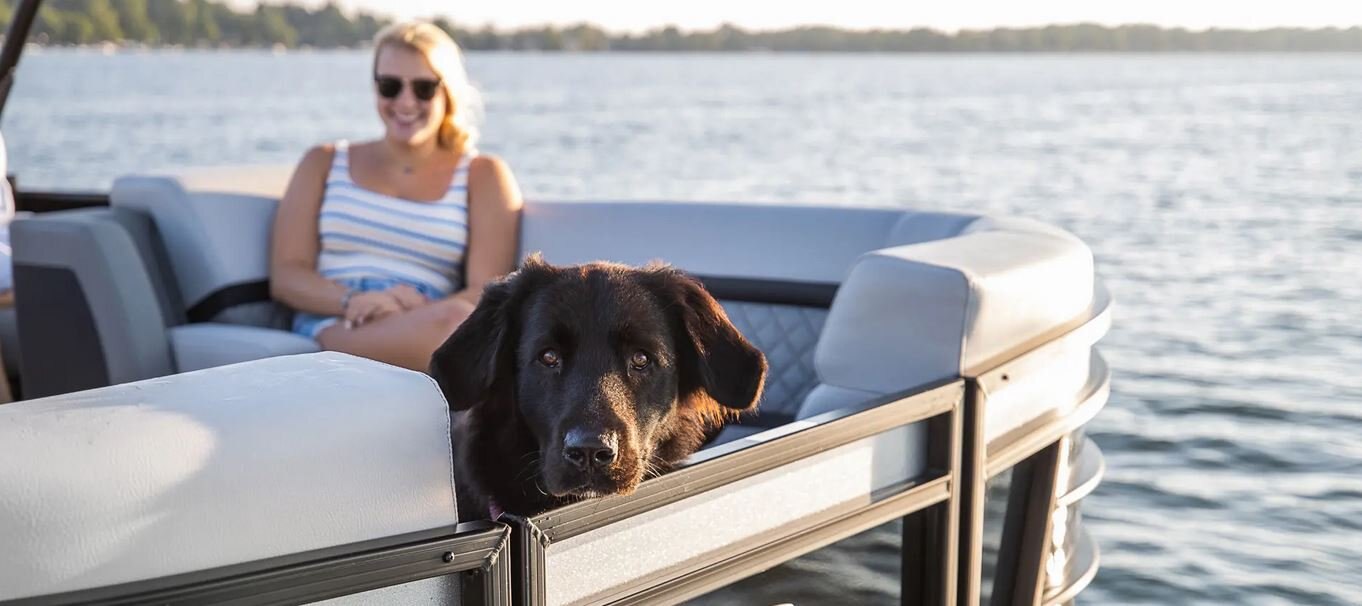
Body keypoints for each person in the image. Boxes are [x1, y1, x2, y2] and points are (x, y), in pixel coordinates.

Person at [270, 22, 522, 372]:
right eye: (390, 86)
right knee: (457, 331)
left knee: (459, 322)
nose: (405, 102)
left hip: (428, 318)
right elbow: (287, 275)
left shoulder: (483, 175)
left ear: (448, 92)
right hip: (338, 320)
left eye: (423, 88)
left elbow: (486, 291)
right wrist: (353, 300)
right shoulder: (323, 162)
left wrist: (413, 309)